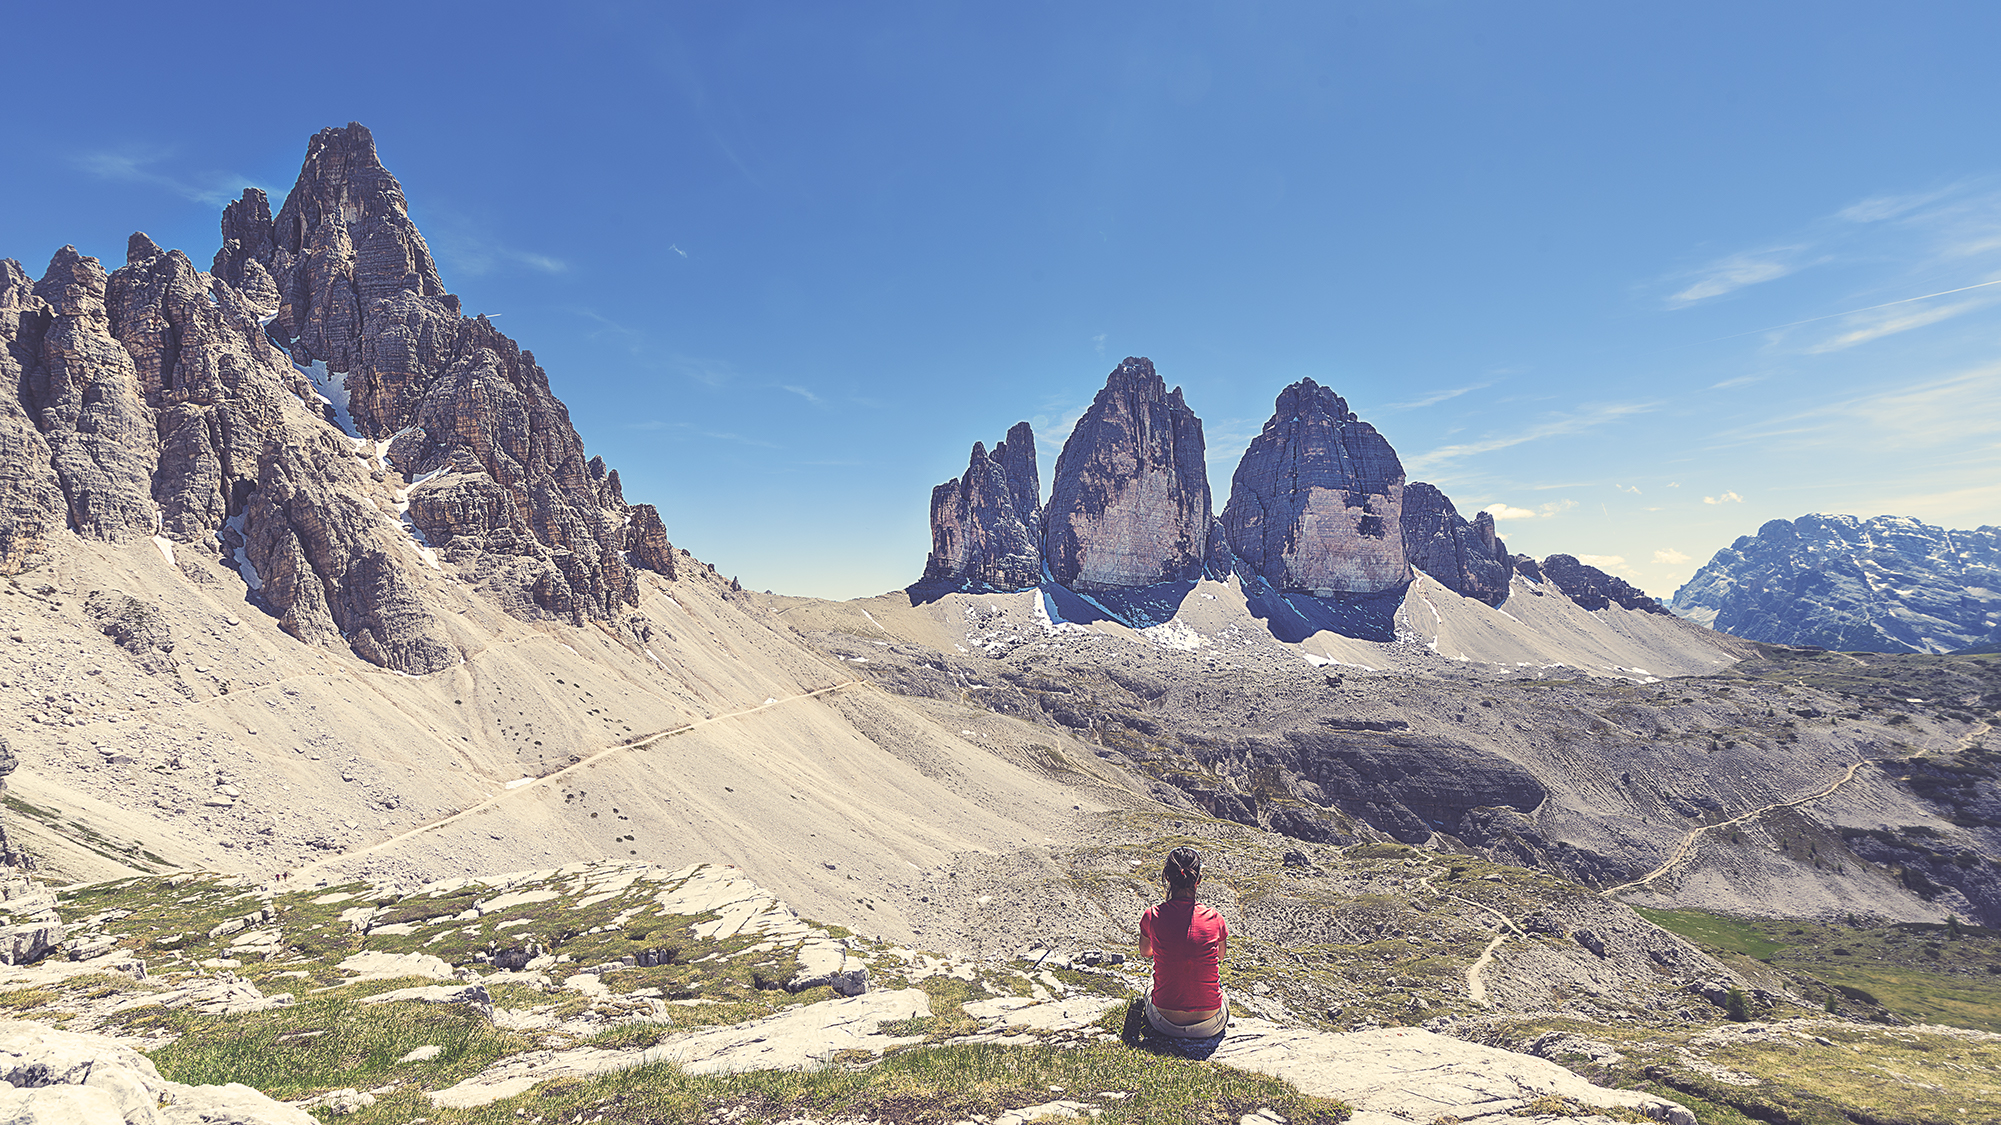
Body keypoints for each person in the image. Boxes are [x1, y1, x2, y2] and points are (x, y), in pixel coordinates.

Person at [1137, 845, 1229, 1038]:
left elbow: (1145, 952)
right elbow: (1220, 956)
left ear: (1167, 877)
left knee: (1151, 980)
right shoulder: (1215, 918)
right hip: (1210, 1024)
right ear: (1198, 880)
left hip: (1164, 1023)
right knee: (1222, 991)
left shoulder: (1152, 915)